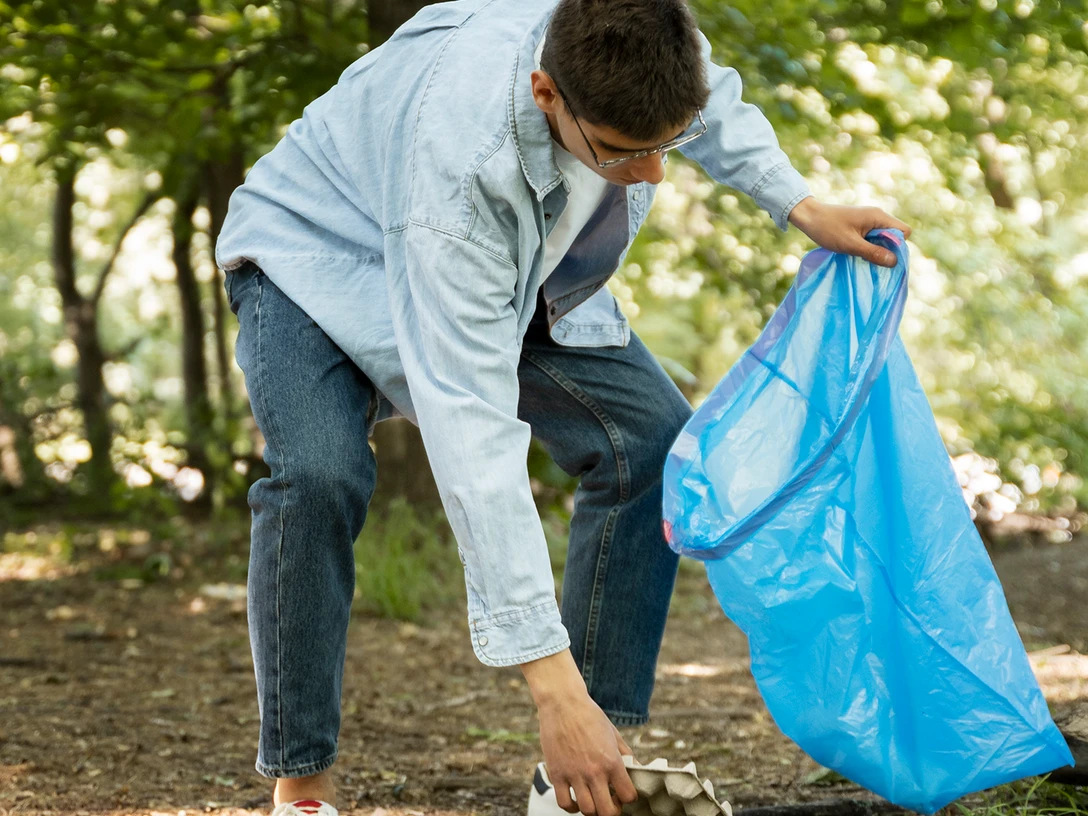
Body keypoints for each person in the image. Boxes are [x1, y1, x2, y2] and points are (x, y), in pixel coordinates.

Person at [215, 0, 911, 814]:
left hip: (523, 270)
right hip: (315, 252)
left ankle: (588, 773)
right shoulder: (461, 174)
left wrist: (798, 203)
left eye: (666, 146)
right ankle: (302, 786)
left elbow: (708, 97)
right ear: (548, 94)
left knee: (650, 442)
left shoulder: (638, 32)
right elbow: (470, 426)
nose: (653, 173)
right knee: (318, 478)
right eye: (624, 151)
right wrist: (550, 686)